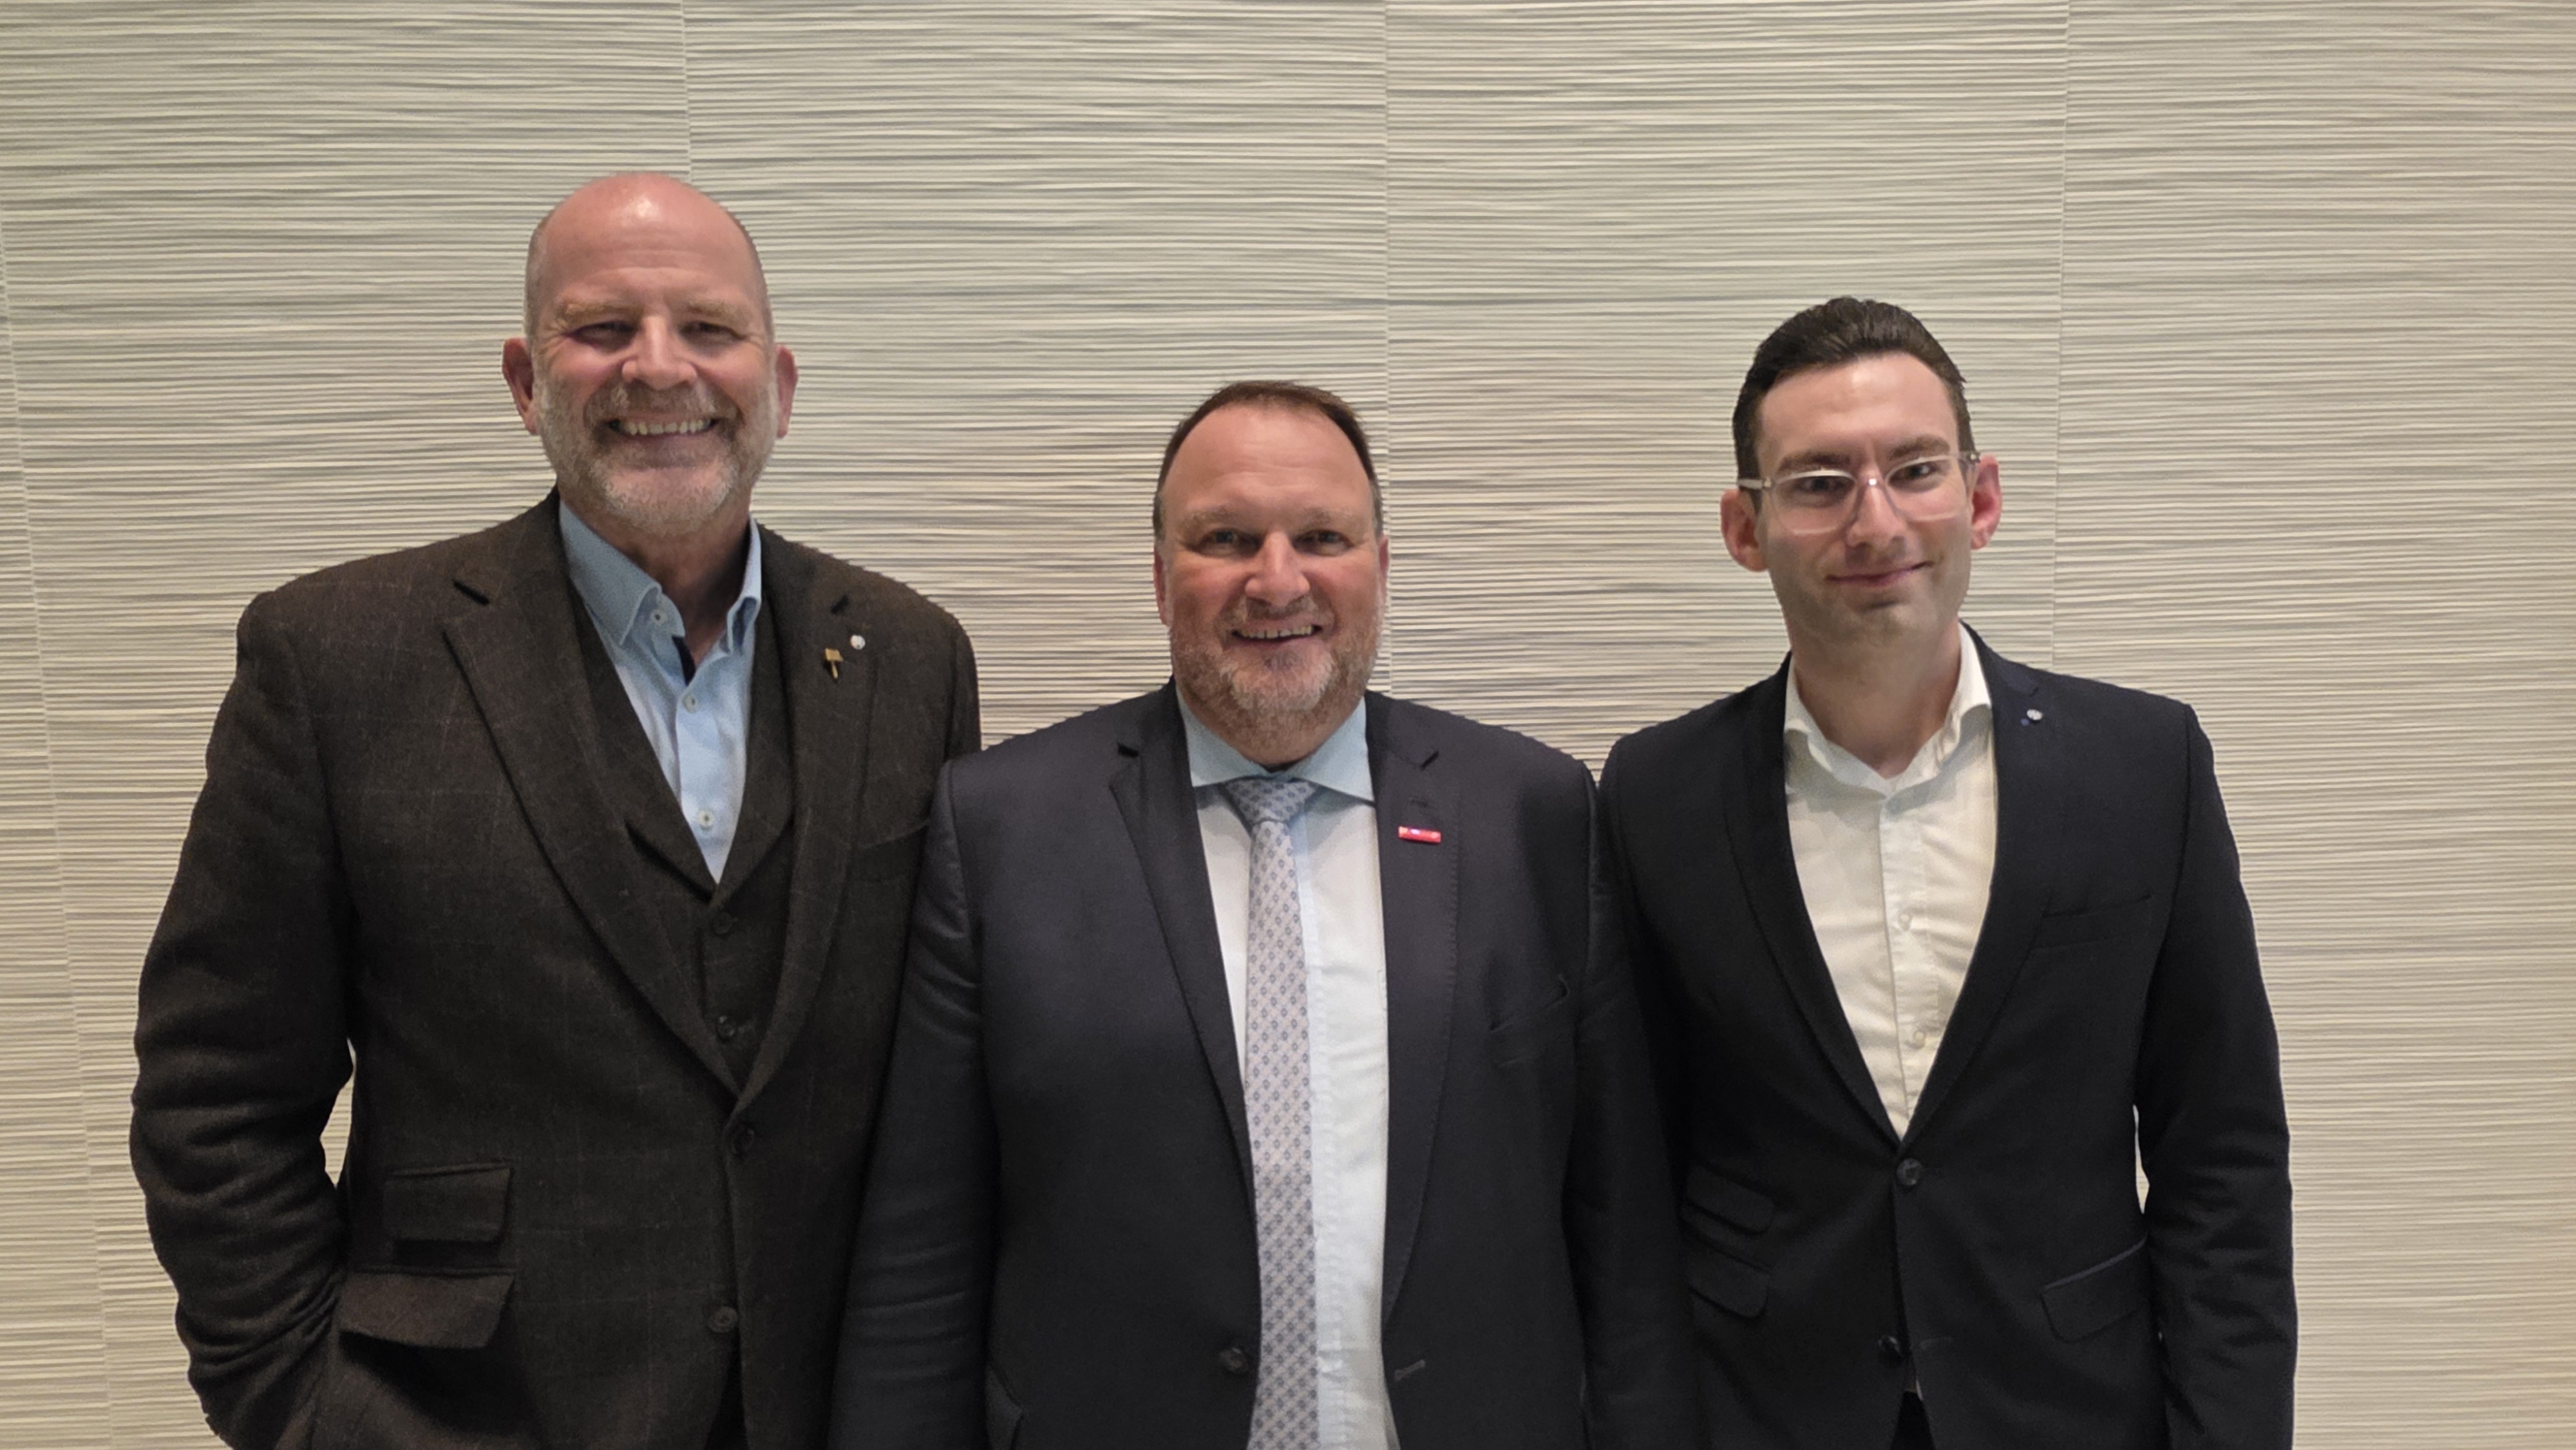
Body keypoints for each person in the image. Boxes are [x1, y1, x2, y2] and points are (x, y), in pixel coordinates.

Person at [129, 173, 978, 1450]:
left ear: (780, 383)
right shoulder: (337, 658)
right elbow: (216, 1093)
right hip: (465, 1414)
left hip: (837, 1409)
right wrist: (300, 1409)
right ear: (527, 382)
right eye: (600, 330)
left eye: (707, 327)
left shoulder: (911, 658)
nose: (657, 368)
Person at [829, 381, 1696, 1450]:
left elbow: (1623, 1235)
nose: (1276, 579)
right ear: (1159, 579)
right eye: (1226, 538)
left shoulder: (1536, 814)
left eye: (1321, 536)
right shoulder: (1001, 826)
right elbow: (924, 1247)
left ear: (1381, 568)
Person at [1599, 297, 2294, 1449]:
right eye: (1819, 483)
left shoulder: (2143, 768)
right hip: (1762, 1410)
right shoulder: (1654, 795)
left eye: (1913, 469)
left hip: (2066, 1410)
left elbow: (2220, 1160)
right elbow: (1628, 1177)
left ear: (1981, 498)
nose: (1875, 521)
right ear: (1743, 525)